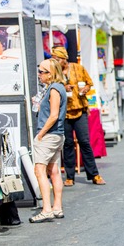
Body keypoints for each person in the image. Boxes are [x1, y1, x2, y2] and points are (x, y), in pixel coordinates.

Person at [51, 46, 106, 187]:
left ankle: (94, 174)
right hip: (65, 112)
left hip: (80, 110)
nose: (55, 62)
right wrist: (63, 88)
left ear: (64, 58)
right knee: (68, 144)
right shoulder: (54, 73)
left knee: (85, 142)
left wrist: (85, 89)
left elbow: (89, 83)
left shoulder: (77, 68)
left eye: (57, 59)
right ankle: (70, 176)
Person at [29, 59, 67, 223]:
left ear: (51, 73)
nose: (39, 75)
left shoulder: (54, 89)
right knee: (53, 170)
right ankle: (56, 207)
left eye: (42, 71)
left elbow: (53, 115)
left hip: (49, 134)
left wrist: (41, 134)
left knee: (40, 170)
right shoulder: (55, 88)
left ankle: (46, 209)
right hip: (56, 134)